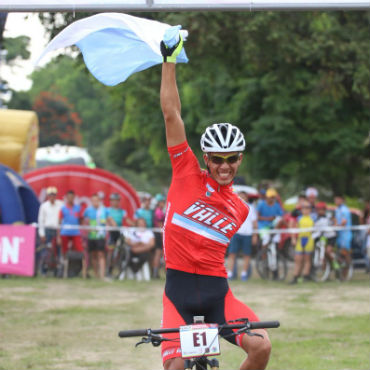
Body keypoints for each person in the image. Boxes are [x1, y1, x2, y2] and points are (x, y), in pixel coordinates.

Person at [159, 35, 271, 370]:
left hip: (217, 295)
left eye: (232, 158)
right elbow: (171, 114)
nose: (225, 166)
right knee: (177, 367)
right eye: (217, 159)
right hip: (177, 292)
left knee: (261, 347)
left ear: (240, 159)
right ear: (206, 159)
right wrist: (170, 60)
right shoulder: (185, 173)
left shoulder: (241, 208)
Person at [227, 191, 258, 281]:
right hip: (236, 233)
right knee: (232, 253)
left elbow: (254, 222)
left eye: (243, 196)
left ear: (246, 198)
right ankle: (230, 273)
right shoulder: (233, 207)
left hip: (247, 234)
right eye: (239, 196)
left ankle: (244, 274)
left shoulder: (251, 208)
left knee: (247, 255)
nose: (241, 198)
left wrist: (255, 235)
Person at [58, 190, 86, 278]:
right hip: (65, 232)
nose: (70, 199)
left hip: (76, 232)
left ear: (74, 198)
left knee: (81, 251)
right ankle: (63, 270)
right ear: (66, 198)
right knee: (64, 252)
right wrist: (58, 235)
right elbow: (59, 222)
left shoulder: (78, 208)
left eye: (72, 197)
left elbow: (81, 220)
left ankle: (84, 273)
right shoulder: (62, 209)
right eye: (69, 197)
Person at [37, 186, 63, 275]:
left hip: (57, 230)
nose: (52, 197)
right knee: (45, 251)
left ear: (56, 195)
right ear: (48, 196)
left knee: (58, 251)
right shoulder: (44, 206)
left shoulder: (60, 204)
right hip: (47, 230)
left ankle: (57, 269)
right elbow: (41, 220)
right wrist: (42, 233)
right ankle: (43, 269)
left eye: (54, 195)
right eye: (50, 195)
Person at [106, 193, 132, 276]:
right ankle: (108, 269)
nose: (115, 202)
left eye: (117, 200)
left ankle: (119, 267)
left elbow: (127, 220)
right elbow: (106, 220)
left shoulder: (122, 211)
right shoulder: (107, 210)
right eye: (113, 200)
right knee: (110, 251)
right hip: (111, 233)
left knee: (121, 249)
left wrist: (136, 224)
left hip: (119, 233)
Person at [290, 198, 315, 284]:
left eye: (307, 208)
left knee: (307, 259)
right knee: (298, 259)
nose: (306, 209)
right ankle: (296, 276)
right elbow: (294, 228)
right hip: (301, 239)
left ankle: (306, 275)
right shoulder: (299, 218)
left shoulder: (313, 218)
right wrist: (293, 238)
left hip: (309, 239)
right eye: (304, 208)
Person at [84, 193, 107, 279]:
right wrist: (86, 228)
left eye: (96, 200)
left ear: (99, 201)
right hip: (91, 236)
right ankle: (96, 274)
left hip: (100, 236)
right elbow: (83, 220)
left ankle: (102, 275)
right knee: (93, 255)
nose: (95, 202)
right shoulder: (88, 210)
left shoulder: (104, 210)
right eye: (93, 200)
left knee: (101, 254)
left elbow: (109, 219)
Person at [313, 202, 338, 270]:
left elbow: (335, 220)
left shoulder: (328, 215)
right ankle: (326, 268)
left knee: (328, 251)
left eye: (321, 209)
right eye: (318, 209)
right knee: (322, 251)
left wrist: (334, 226)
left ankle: (335, 262)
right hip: (322, 236)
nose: (319, 211)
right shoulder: (316, 218)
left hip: (331, 236)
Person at [334, 194, 352, 274]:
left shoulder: (344, 209)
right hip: (339, 234)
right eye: (335, 199)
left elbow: (344, 222)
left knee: (345, 252)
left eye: (338, 199)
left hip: (345, 234)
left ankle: (347, 271)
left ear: (342, 200)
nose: (336, 201)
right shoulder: (337, 209)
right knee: (340, 253)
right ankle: (342, 272)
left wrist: (337, 226)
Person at [152, 193, 166, 279]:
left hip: (157, 233)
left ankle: (155, 272)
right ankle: (155, 273)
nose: (163, 203)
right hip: (159, 234)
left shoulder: (157, 211)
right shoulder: (159, 212)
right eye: (162, 202)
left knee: (157, 253)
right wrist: (163, 237)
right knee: (158, 253)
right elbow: (160, 226)